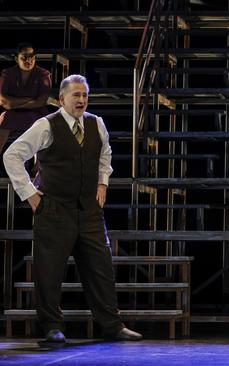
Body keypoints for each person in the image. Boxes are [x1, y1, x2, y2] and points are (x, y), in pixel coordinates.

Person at [3, 74, 142, 343]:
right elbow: (12, 155)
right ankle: (52, 326)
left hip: (88, 209)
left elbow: (105, 154)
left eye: (85, 95)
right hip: (54, 208)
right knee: (49, 270)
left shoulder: (96, 124)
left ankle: (112, 325)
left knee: (100, 268)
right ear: (62, 98)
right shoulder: (46, 125)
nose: (81, 100)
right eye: (76, 95)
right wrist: (30, 195)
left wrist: (103, 183)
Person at [0, 43, 52, 153]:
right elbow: (3, 100)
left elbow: (41, 101)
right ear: (16, 59)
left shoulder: (43, 74)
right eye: (24, 57)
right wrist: (30, 98)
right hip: (12, 113)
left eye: (31, 57)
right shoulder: (7, 74)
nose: (28, 61)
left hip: (37, 112)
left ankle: (37, 165)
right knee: (3, 118)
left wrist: (13, 104)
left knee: (42, 123)